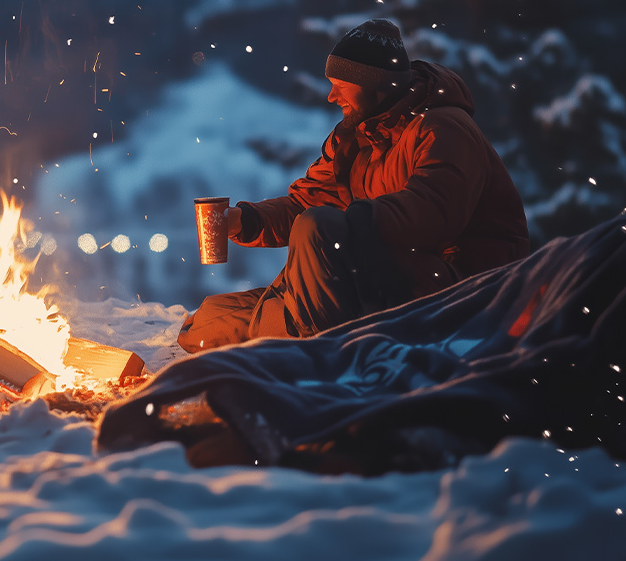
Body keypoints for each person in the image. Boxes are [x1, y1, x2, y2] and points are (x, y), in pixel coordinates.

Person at [178, 19, 529, 352]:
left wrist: (349, 228)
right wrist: (245, 220)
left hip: (461, 289)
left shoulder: (443, 128)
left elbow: (434, 212)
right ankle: (289, 331)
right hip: (383, 277)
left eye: (341, 85)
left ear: (376, 85)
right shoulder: (357, 136)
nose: (332, 96)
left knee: (318, 230)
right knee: (206, 322)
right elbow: (306, 202)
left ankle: (313, 351)